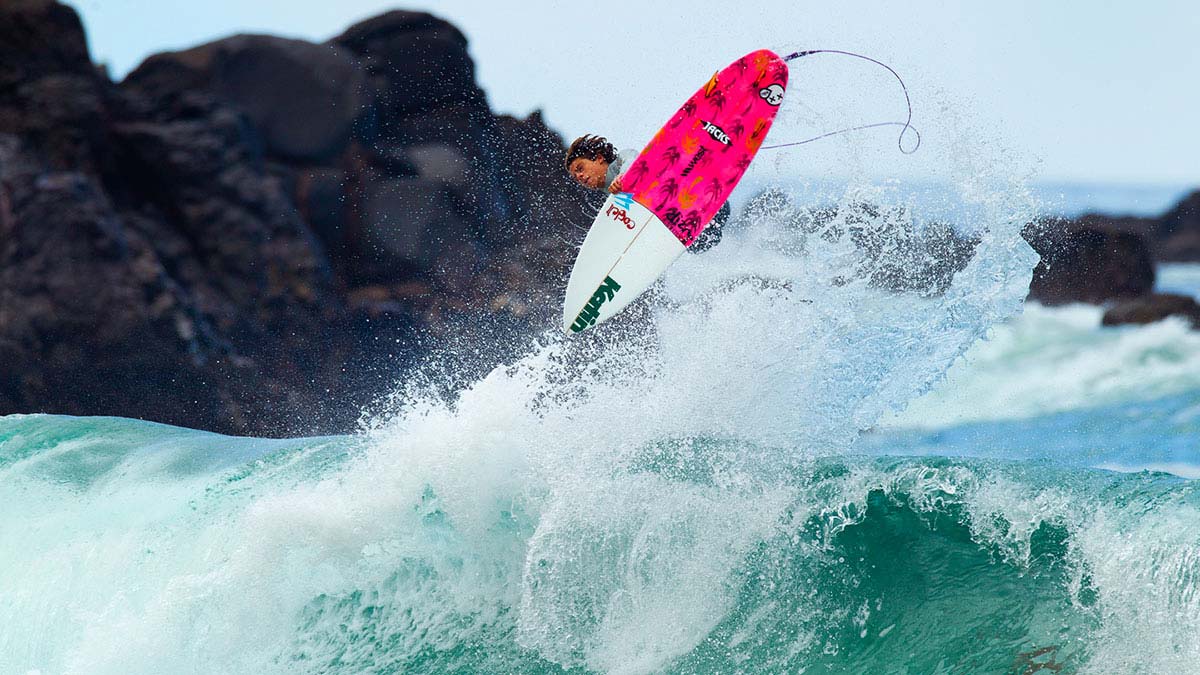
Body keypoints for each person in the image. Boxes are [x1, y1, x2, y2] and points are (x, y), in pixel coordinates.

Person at [564, 134, 727, 252]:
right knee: (700, 246)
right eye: (575, 176)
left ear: (599, 158)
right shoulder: (612, 201)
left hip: (707, 201)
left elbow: (634, 159)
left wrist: (623, 178)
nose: (579, 176)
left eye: (580, 168)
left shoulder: (622, 160)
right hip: (695, 232)